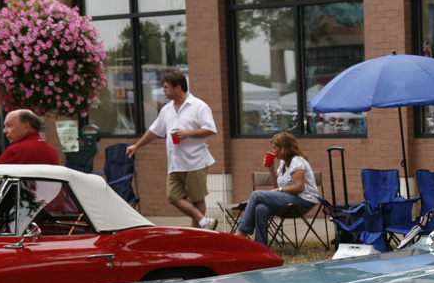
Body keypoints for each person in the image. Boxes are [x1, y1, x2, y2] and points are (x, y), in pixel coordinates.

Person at [126, 72, 218, 230]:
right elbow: (154, 131)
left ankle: (196, 232)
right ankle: (203, 222)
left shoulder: (198, 106)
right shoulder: (166, 110)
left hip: (195, 161)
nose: (163, 90)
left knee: (197, 198)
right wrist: (137, 146)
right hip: (175, 163)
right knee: (173, 196)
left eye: (166, 87)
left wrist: (187, 133)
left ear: (178, 87)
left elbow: (210, 129)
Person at [234, 132, 319, 247]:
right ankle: (260, 247)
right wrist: (271, 169)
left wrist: (279, 190)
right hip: (291, 198)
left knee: (256, 195)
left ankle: (241, 232)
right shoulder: (283, 162)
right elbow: (276, 187)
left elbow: (299, 188)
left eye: (274, 148)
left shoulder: (297, 161)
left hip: (304, 199)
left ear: (284, 148)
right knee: (260, 208)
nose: (272, 151)